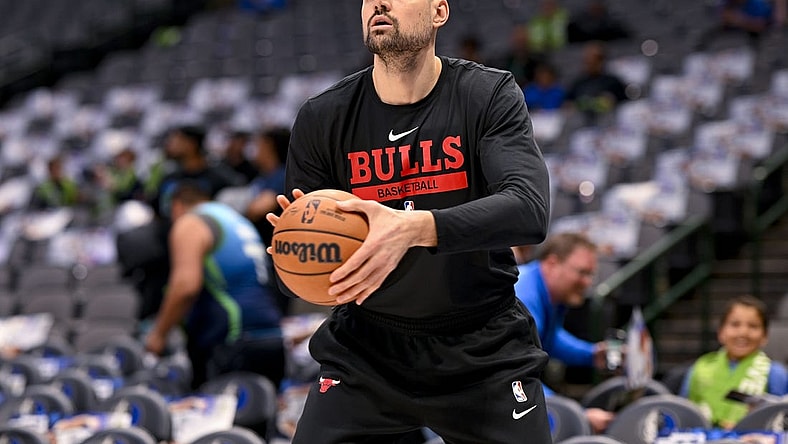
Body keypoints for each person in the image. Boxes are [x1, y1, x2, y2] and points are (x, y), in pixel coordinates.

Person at [265, 0, 552, 442]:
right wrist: (295, 259)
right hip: (367, 348)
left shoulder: (486, 94)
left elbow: (527, 209)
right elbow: (298, 281)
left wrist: (412, 228)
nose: (378, 3)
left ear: (439, 11)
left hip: (481, 347)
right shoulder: (323, 117)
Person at [144, 181, 285, 390]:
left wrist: (159, 335)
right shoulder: (234, 219)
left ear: (177, 206)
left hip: (233, 340)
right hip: (271, 334)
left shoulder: (191, 223)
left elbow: (185, 287)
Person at [513, 232, 615, 434]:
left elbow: (549, 337)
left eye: (591, 275)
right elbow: (515, 379)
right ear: (552, 264)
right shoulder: (524, 296)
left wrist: (592, 354)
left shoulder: (548, 294)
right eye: (582, 272)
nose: (587, 283)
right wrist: (575, 413)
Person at [680, 295, 788, 429]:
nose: (743, 333)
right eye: (735, 324)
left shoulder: (775, 373)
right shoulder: (698, 368)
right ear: (721, 332)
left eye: (753, 326)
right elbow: (683, 415)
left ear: (765, 336)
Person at [564, 41, 628, 125]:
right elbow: (568, 104)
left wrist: (612, 101)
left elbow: (625, 105)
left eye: (594, 59)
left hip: (609, 124)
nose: (589, 63)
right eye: (587, 60)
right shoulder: (578, 83)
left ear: (601, 60)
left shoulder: (613, 81)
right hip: (582, 126)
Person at [566, 0, 631, 44]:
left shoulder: (612, 24)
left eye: (598, 5)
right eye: (593, 5)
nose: (595, 7)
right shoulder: (578, 24)